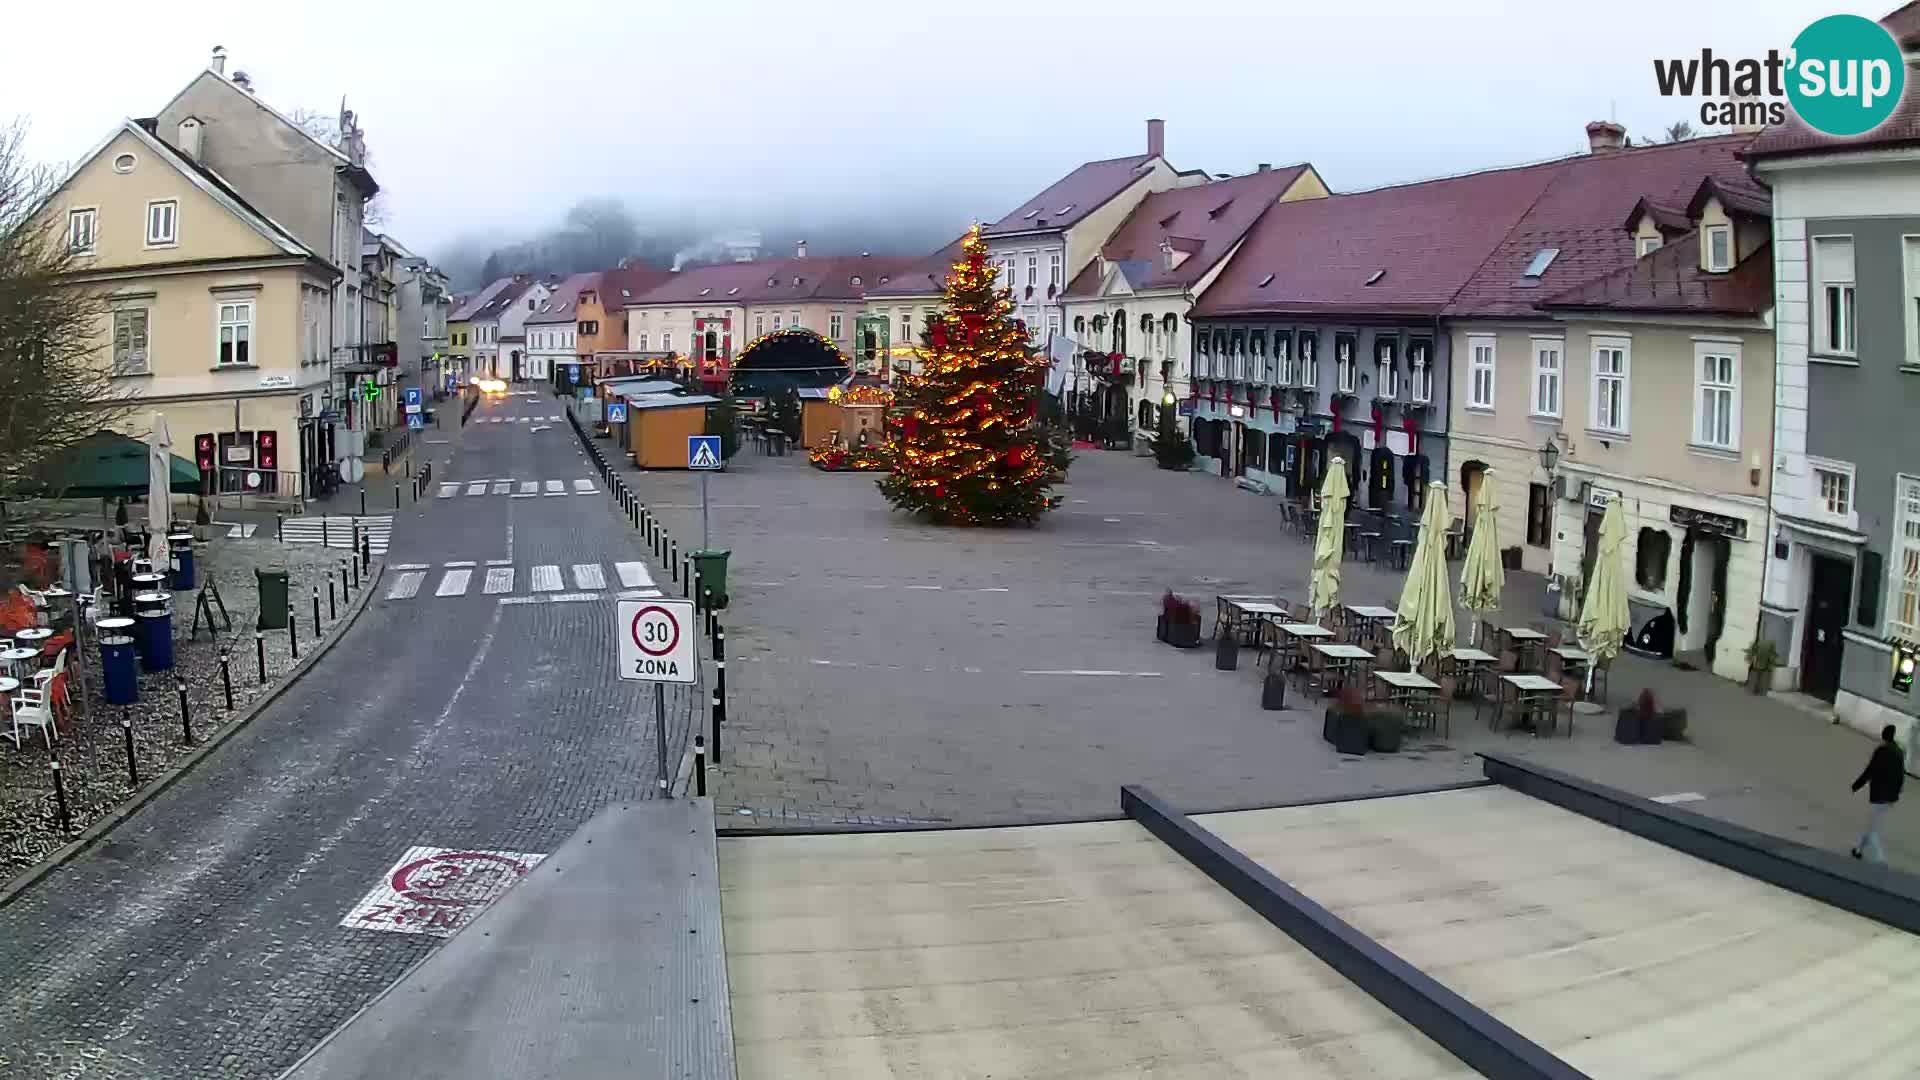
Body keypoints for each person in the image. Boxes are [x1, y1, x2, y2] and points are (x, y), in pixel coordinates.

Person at [1851, 724, 1906, 862]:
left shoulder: (1881, 751)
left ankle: (1882, 861)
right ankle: (1858, 850)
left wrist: (1856, 785)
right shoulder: (1899, 752)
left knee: (1873, 831)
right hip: (1890, 797)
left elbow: (1870, 771)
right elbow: (1901, 776)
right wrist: (1896, 795)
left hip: (1879, 795)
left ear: (1883, 736)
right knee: (1872, 824)